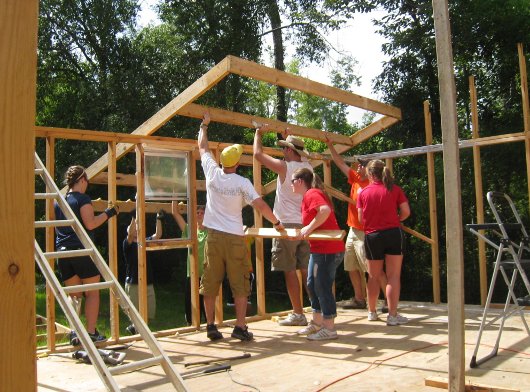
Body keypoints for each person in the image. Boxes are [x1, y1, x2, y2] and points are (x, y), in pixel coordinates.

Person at [198, 112, 284, 341]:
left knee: (210, 283)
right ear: (236, 163)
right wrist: (276, 222)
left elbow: (203, 148)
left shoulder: (212, 174)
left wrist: (204, 125)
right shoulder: (242, 183)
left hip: (213, 238)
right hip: (235, 238)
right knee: (240, 285)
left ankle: (210, 326)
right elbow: (260, 205)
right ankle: (240, 327)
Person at [253, 125, 313, 327]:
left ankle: (298, 314)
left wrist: (258, 134)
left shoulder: (285, 168)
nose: (282, 151)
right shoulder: (308, 169)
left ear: (289, 151)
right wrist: (289, 139)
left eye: (284, 148)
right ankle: (319, 312)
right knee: (306, 270)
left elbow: (257, 154)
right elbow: (301, 156)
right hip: (305, 225)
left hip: (286, 225)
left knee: (289, 270)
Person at [54, 165, 119, 346]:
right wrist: (109, 213)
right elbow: (90, 224)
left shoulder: (58, 200)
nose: (87, 185)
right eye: (87, 182)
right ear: (81, 180)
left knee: (74, 295)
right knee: (92, 293)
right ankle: (90, 332)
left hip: (63, 253)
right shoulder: (82, 199)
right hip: (80, 250)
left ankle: (75, 332)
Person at [325, 139, 389, 313]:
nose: (357, 167)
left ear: (369, 170)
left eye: (361, 166)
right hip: (353, 230)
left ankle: (388, 301)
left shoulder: (372, 185)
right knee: (351, 265)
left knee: (373, 269)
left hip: (365, 232)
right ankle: (359, 299)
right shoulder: (355, 178)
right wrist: (331, 145)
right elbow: (339, 162)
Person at [291, 168, 345, 340]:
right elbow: (317, 220)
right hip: (319, 249)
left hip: (329, 249)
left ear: (300, 181)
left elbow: (324, 211)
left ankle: (329, 328)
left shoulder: (312, 193)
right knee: (312, 284)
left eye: (292, 181)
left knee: (321, 286)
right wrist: (304, 231)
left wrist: (308, 228)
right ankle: (316, 323)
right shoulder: (307, 197)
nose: (291, 184)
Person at [357, 160, 410, 326]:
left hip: (372, 235)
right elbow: (406, 212)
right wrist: (396, 219)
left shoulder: (363, 193)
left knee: (373, 276)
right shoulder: (394, 189)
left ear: (370, 173)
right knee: (393, 276)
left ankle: (372, 312)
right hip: (393, 233)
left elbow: (360, 219)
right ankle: (393, 316)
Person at [122, 209, 163, 334]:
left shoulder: (144, 241)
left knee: (148, 313)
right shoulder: (127, 243)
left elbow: (158, 235)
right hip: (133, 283)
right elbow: (130, 234)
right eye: (134, 227)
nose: (137, 228)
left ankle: (139, 331)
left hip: (147, 282)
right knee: (135, 313)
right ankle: (135, 329)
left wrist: (159, 218)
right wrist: (136, 214)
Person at [171, 201, 207, 325]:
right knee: (191, 308)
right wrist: (175, 194)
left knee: (207, 309)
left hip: (206, 275)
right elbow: (175, 213)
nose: (199, 214)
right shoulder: (190, 230)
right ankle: (191, 328)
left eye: (202, 212)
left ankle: (210, 328)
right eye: (197, 212)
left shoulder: (211, 231)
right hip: (192, 275)